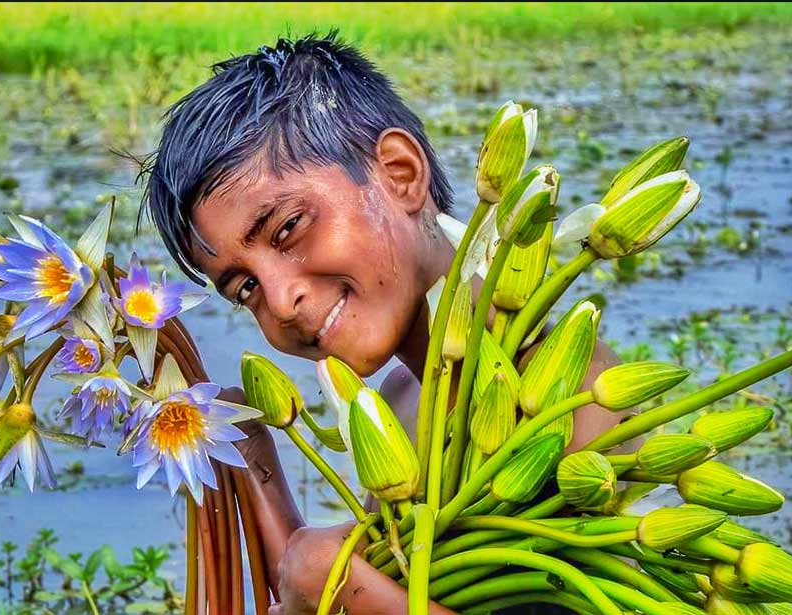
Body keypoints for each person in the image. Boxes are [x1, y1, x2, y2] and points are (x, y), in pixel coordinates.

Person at [142, 32, 622, 615]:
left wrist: (346, 587)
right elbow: (310, 587)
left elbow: (347, 591)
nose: (281, 298)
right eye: (244, 288)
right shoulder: (399, 400)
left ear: (400, 174)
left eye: (288, 228)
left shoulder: (574, 397)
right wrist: (254, 454)